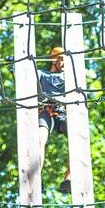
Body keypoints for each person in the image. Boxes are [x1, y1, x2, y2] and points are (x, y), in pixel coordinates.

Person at [38, 46, 72, 193]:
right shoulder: (41, 74)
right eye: (61, 60)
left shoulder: (69, 77)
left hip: (63, 111)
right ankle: (36, 177)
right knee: (39, 139)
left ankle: (69, 178)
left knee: (76, 139)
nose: (63, 64)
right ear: (53, 59)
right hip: (46, 109)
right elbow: (24, 79)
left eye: (65, 61)